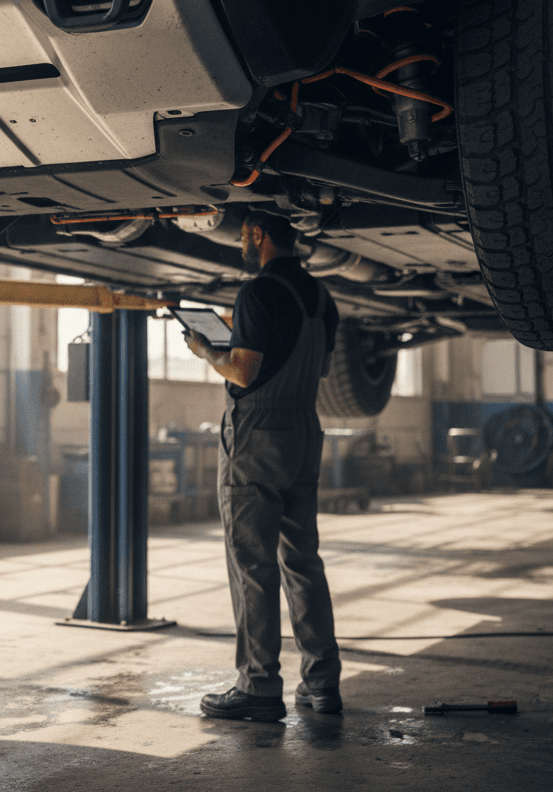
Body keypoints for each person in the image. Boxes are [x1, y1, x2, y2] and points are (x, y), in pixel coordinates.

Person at [184, 209, 342, 722]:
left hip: (258, 436)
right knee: (302, 561)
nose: (241, 245)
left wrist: (208, 350)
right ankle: (322, 683)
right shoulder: (321, 297)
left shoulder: (256, 293)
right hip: (304, 430)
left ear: (258, 234)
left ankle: (258, 686)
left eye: (243, 236)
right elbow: (316, 367)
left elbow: (245, 372)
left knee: (251, 562)